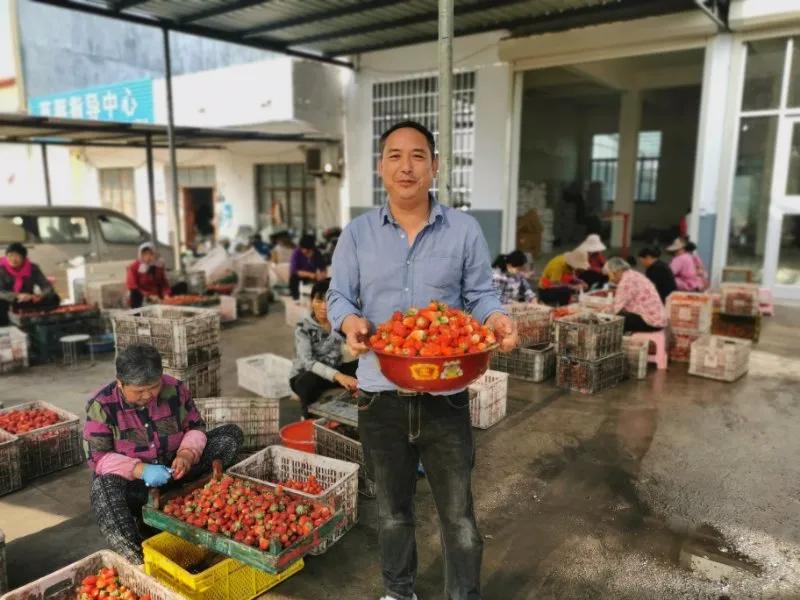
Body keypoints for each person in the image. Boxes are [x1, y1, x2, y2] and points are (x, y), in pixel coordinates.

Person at [327, 120, 518, 600]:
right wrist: (350, 324)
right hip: (379, 395)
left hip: (446, 394)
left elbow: (480, 295)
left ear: (435, 166)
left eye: (417, 156)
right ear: (380, 167)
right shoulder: (357, 234)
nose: (406, 166)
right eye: (394, 155)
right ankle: (398, 592)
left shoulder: (464, 230)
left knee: (459, 516)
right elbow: (339, 298)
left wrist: (496, 320)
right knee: (392, 513)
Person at [84, 344, 243, 564]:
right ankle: (138, 558)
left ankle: (188, 496)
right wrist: (140, 469)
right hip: (137, 484)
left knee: (230, 435)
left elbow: (196, 427)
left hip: (176, 472)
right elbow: (98, 458)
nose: (148, 395)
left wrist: (187, 454)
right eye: (139, 391)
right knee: (103, 488)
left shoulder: (175, 389)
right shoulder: (102, 405)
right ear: (120, 383)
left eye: (154, 386)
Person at [290, 279, 358, 419]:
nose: (324, 307)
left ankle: (361, 408)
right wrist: (340, 377)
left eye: (329, 301)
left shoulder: (340, 322)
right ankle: (307, 416)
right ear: (311, 301)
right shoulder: (303, 328)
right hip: (307, 374)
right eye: (319, 300)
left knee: (362, 367)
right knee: (305, 382)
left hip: (334, 369)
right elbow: (308, 363)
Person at [0, 242, 60, 325]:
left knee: (54, 298)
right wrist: (17, 295)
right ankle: (4, 327)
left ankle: (40, 320)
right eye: (10, 256)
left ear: (24, 258)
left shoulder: (32, 268)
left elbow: (46, 286)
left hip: (27, 301)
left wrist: (41, 295)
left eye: (17, 256)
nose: (13, 259)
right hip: (8, 301)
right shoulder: (1, 269)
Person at [604, 257, 666, 332]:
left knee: (616, 318)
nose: (610, 279)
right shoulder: (632, 274)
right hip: (657, 319)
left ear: (615, 271)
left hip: (651, 322)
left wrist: (600, 313)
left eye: (609, 275)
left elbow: (615, 309)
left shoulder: (626, 281)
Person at [126, 242, 171, 308]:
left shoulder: (158, 265)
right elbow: (132, 286)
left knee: (182, 285)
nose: (148, 257)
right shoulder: (134, 266)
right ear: (140, 255)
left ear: (155, 254)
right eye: (145, 254)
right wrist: (148, 296)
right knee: (134, 293)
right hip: (141, 296)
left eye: (151, 254)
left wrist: (166, 294)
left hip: (156, 295)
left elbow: (163, 283)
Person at [289, 234, 326, 301]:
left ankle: (320, 299)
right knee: (293, 278)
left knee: (324, 282)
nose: (304, 251)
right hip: (300, 276)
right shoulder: (296, 252)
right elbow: (294, 270)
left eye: (307, 250)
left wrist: (322, 275)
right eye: (302, 249)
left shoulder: (317, 253)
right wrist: (311, 275)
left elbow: (322, 268)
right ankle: (296, 299)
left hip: (313, 277)